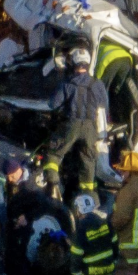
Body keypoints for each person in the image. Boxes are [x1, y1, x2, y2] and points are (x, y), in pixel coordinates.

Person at [41, 47, 108, 196]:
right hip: (91, 128)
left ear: (74, 64)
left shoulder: (68, 84)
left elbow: (53, 104)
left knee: (54, 153)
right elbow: (104, 105)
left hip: (71, 125)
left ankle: (53, 186)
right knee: (88, 161)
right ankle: (88, 196)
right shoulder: (98, 84)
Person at [69, 193, 117, 275]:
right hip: (109, 271)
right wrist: (114, 262)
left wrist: (76, 274)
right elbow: (115, 243)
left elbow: (76, 255)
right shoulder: (105, 222)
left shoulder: (81, 229)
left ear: (78, 210)